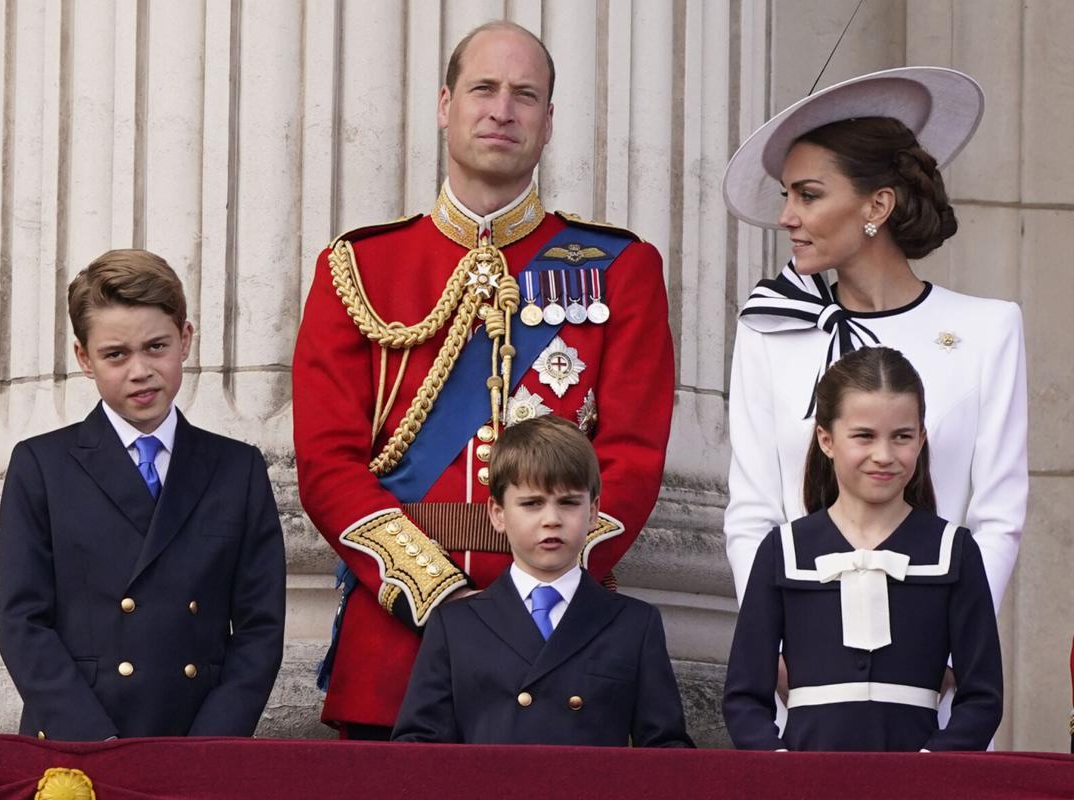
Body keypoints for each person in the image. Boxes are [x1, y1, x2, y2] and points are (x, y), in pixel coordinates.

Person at [292, 21, 674, 738]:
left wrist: (542, 590)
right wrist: (435, 594)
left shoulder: (621, 268)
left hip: (563, 648)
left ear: (549, 121)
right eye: (484, 89)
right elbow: (326, 464)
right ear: (445, 104)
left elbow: (633, 456)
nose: (503, 109)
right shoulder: (358, 269)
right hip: (397, 645)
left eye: (526, 94)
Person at [721, 67, 1027, 622]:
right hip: (804, 657)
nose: (787, 216)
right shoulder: (769, 328)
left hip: (934, 655)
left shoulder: (988, 329)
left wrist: (958, 641)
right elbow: (751, 514)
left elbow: (998, 517)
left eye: (808, 195)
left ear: (876, 206)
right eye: (785, 195)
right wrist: (775, 644)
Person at [0, 250, 286, 740]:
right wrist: (92, 742)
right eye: (116, 354)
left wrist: (210, 745)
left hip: (197, 741)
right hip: (79, 740)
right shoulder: (41, 466)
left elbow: (260, 627)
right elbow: (23, 623)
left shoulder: (238, 469)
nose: (140, 370)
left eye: (156, 347)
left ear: (185, 340)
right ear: (84, 359)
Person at [723, 346, 1002, 751]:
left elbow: (982, 696)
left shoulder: (954, 550)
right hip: (805, 781)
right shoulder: (782, 549)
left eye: (902, 437)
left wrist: (933, 766)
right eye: (864, 436)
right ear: (826, 439)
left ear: (921, 438)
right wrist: (778, 763)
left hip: (918, 781)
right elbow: (745, 695)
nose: (884, 455)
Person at [392, 416, 693, 747]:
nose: (551, 520)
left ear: (593, 512)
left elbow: (667, 753)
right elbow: (418, 752)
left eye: (568, 502)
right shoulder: (455, 624)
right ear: (498, 514)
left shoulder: (634, 624)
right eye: (532, 504)